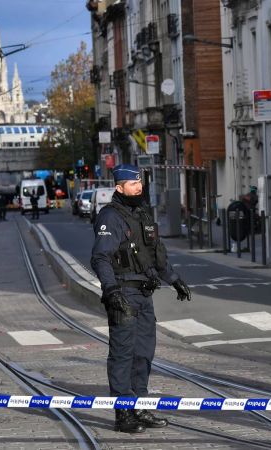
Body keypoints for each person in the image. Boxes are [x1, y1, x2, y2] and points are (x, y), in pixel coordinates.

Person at [91, 164, 193, 434]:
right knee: (123, 354)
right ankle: (123, 414)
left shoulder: (142, 215)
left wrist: (174, 280)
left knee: (144, 354)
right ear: (119, 187)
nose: (139, 187)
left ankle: (138, 405)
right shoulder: (109, 217)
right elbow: (100, 257)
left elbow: (156, 256)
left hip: (145, 294)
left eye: (140, 183)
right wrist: (111, 291)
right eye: (133, 184)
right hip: (124, 293)